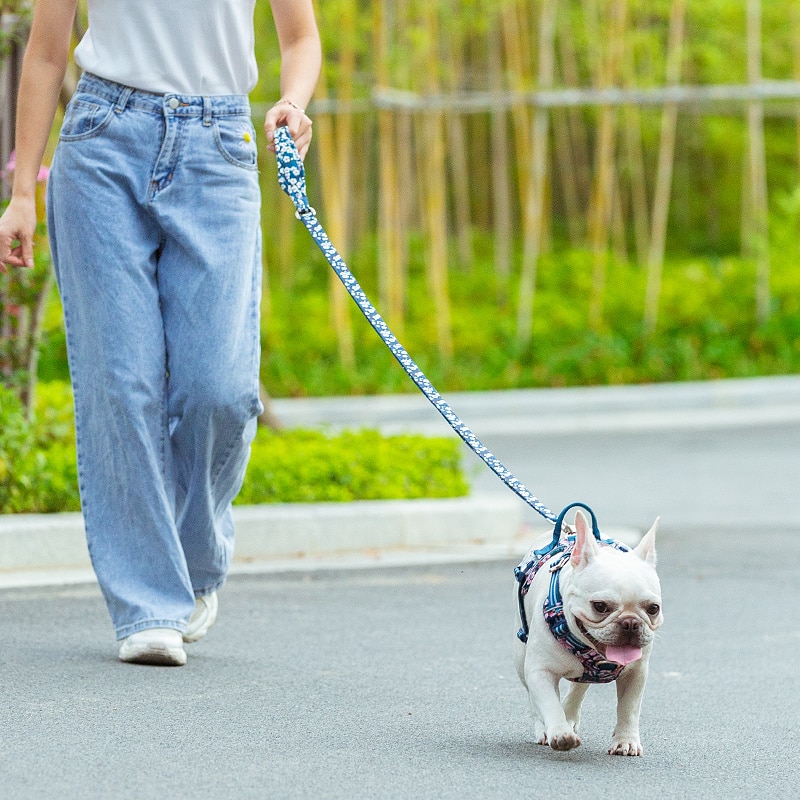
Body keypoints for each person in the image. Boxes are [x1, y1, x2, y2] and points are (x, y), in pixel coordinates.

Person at [0, 0, 321, 666]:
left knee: (221, 390)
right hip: (100, 142)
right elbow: (47, 52)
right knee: (122, 384)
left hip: (218, 145)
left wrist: (293, 101)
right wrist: (23, 192)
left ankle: (193, 562)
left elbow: (301, 38)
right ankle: (147, 603)